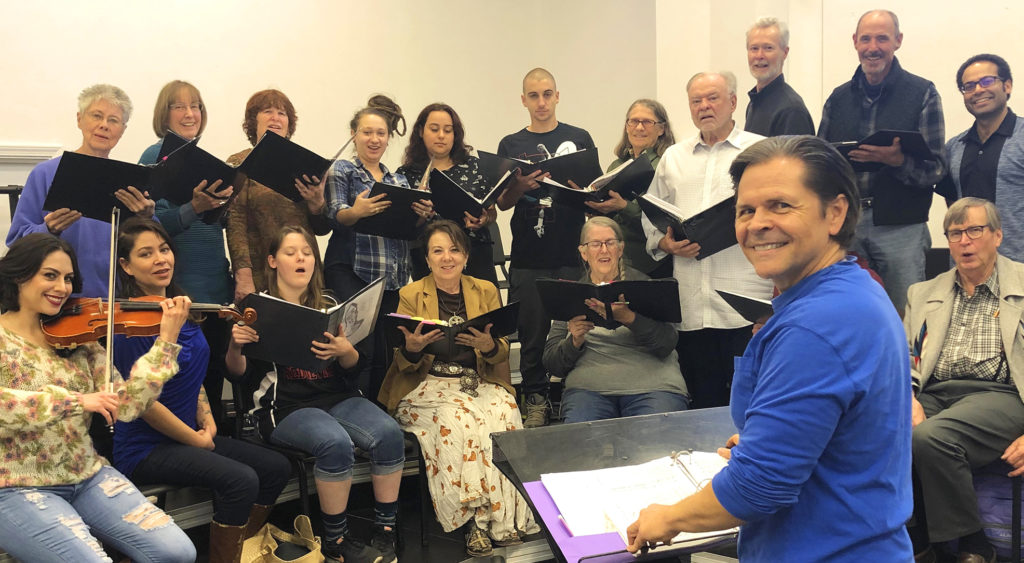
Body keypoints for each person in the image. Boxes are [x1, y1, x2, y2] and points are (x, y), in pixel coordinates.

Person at [628, 135, 913, 561]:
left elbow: (756, 488)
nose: (757, 223)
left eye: (780, 205)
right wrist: (770, 438)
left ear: (835, 213)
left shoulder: (818, 324)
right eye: (745, 210)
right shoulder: (850, 292)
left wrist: (667, 518)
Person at [0, 233, 195, 562]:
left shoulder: (79, 340)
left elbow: (130, 405)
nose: (62, 288)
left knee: (178, 553)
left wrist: (165, 344)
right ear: (19, 275)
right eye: (50, 275)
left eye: (68, 278)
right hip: (15, 486)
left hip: (87, 477)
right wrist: (77, 402)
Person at [111, 218, 291, 563]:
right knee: (240, 480)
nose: (161, 259)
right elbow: (144, 406)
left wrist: (207, 422)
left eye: (164, 249)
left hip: (188, 434)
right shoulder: (126, 326)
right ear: (126, 266)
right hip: (145, 447)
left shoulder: (182, 310)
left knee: (275, 467)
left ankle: (241, 551)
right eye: (146, 254)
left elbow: (191, 375)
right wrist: (196, 440)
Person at [227, 225, 405, 563]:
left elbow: (355, 367)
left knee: (389, 433)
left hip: (337, 395)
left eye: (307, 252)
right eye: (291, 252)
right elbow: (237, 374)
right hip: (284, 406)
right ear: (273, 261)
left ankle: (385, 531)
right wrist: (236, 347)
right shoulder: (256, 308)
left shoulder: (331, 303)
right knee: (334, 442)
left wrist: (344, 350)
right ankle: (337, 541)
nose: (300, 258)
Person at [378, 219, 539, 558]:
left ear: (465, 256)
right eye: (438, 250)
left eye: (454, 250)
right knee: (460, 420)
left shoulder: (485, 290)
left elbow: (501, 350)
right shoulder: (410, 294)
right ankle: (473, 522)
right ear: (427, 258)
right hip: (426, 385)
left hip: (476, 379)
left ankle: (505, 518)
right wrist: (414, 348)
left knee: (505, 412)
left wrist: (487, 344)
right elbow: (402, 361)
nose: (446, 257)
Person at [642, 71, 773, 409]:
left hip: (744, 303)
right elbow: (651, 213)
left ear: (732, 102)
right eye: (696, 101)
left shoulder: (760, 151)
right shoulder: (674, 157)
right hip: (691, 304)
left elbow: (776, 213)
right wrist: (664, 244)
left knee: (750, 402)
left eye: (712, 98)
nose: (704, 106)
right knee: (701, 401)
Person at [905, 198, 1024, 563]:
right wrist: (907, 399)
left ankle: (971, 544)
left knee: (931, 436)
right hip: (936, 391)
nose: (964, 241)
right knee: (878, 426)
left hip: (1000, 394)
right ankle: (915, 539)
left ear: (998, 236)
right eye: (954, 233)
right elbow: (905, 357)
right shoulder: (923, 292)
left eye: (975, 230)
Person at [818, 9, 946, 313]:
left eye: (882, 38)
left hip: (902, 229)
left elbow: (937, 170)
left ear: (898, 41)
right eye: (866, 38)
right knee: (848, 314)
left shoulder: (923, 93)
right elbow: (819, 165)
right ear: (855, 42)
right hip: (846, 226)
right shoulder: (837, 99)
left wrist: (898, 160)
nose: (873, 47)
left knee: (906, 318)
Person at [496, 67, 596, 427]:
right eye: (534, 95)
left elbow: (591, 196)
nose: (541, 102)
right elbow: (503, 203)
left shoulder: (579, 137)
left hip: (571, 253)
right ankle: (535, 399)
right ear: (523, 100)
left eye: (547, 94)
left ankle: (576, 394)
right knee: (532, 334)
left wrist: (583, 190)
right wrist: (522, 186)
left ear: (557, 96)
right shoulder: (511, 145)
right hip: (528, 256)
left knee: (579, 328)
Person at [139, 79, 235, 429]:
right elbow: (148, 229)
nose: (190, 113)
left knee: (212, 377)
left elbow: (214, 226)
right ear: (164, 114)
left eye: (195, 106)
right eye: (179, 106)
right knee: (183, 386)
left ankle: (213, 451)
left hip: (215, 287)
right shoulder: (154, 157)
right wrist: (195, 207)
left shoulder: (208, 161)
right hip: (182, 289)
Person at [7, 84, 156, 298]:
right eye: (96, 116)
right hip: (59, 301)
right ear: (79, 119)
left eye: (113, 120)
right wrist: (49, 229)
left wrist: (147, 218)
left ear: (122, 130)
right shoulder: (46, 173)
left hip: (117, 302)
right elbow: (16, 243)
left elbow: (153, 246)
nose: (104, 126)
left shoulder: (130, 180)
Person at [543, 216, 687, 423]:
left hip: (653, 386)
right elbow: (553, 364)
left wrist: (630, 318)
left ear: (620, 249)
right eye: (595, 244)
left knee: (655, 443)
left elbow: (666, 343)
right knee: (582, 444)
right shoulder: (570, 293)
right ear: (583, 253)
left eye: (610, 243)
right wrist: (573, 341)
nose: (604, 250)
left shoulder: (646, 286)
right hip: (589, 390)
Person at [324, 94, 411, 406]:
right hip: (351, 270)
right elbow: (335, 214)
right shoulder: (342, 171)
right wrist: (357, 211)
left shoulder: (398, 179)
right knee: (361, 347)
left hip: (394, 277)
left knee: (388, 351)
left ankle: (382, 414)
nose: (374, 139)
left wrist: (423, 213)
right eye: (367, 132)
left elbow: (407, 229)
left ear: (388, 138)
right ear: (353, 134)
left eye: (381, 133)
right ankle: (354, 409)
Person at [226, 89, 330, 302]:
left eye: (282, 113)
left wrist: (317, 203)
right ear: (253, 121)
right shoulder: (239, 161)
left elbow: (321, 228)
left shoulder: (305, 162)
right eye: (267, 111)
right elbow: (235, 223)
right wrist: (242, 275)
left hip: (302, 271)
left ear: (289, 123)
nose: (275, 118)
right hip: (259, 270)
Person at [397, 103, 498, 284]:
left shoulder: (474, 166)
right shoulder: (405, 174)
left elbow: (491, 211)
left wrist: (483, 219)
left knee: (484, 309)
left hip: (474, 251)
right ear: (421, 131)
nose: (441, 136)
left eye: (448, 130)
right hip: (427, 257)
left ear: (455, 134)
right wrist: (420, 216)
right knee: (433, 311)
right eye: (434, 129)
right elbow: (402, 225)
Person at [938, 54, 1024, 264]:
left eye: (987, 81)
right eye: (969, 86)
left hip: (1018, 269)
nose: (978, 90)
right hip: (966, 270)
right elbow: (953, 204)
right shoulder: (954, 147)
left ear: (1007, 86)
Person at [584, 99, 676, 278]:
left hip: (653, 262)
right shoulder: (616, 165)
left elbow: (663, 219)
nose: (639, 128)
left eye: (647, 122)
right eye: (633, 121)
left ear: (661, 129)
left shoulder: (667, 165)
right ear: (626, 127)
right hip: (618, 261)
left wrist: (624, 207)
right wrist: (595, 209)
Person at [743, 17, 815, 136]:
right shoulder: (755, 103)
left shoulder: (792, 111)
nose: (759, 55)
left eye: (768, 48)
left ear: (785, 53)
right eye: (754, 48)